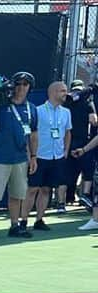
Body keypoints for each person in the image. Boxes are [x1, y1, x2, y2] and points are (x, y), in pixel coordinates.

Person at [0, 71, 38, 240]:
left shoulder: (31, 109)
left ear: (29, 88)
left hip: (20, 159)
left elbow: (34, 134)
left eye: (25, 84)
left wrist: (33, 156)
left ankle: (15, 225)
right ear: (12, 86)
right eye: (18, 84)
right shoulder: (1, 105)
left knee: (17, 194)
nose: (21, 87)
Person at [22, 81, 71, 231]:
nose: (65, 94)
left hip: (57, 157)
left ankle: (39, 219)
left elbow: (68, 132)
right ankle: (23, 221)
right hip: (40, 156)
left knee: (46, 189)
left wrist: (65, 151)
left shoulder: (66, 112)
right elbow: (29, 134)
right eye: (62, 91)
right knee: (32, 189)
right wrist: (30, 155)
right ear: (53, 92)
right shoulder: (38, 111)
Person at [64, 79, 97, 209]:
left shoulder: (67, 102)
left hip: (71, 140)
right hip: (84, 141)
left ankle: (64, 200)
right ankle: (84, 195)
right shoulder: (87, 100)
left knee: (68, 172)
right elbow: (94, 120)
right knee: (87, 172)